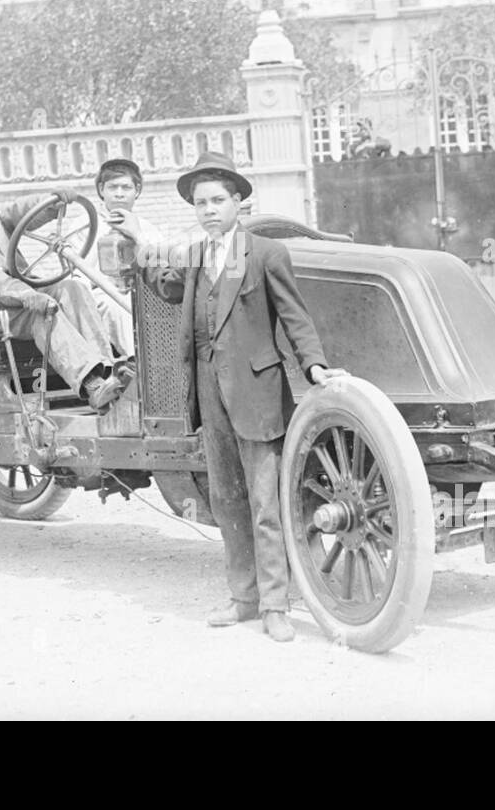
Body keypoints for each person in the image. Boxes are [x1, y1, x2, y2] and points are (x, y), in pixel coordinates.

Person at [131, 151, 348, 643]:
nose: (208, 210)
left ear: (237, 203)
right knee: (227, 500)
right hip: (209, 393)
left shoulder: (266, 254)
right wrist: (140, 251)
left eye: (217, 200)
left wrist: (313, 363)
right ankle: (244, 600)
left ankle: (276, 605)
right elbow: (168, 287)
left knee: (264, 502)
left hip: (256, 393)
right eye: (200, 203)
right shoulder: (194, 256)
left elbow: (294, 316)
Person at [0, 162, 131, 412]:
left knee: (72, 287)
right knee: (41, 314)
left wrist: (54, 200)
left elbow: (21, 209)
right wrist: (26, 294)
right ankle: (91, 385)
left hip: (25, 294)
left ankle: (109, 372)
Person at [82, 158, 166, 359]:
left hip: (142, 292)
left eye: (126, 187)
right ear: (101, 189)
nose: (119, 193)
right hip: (101, 296)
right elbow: (78, 274)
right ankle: (140, 363)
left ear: (136, 190)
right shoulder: (85, 225)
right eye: (113, 187)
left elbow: (162, 266)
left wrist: (137, 235)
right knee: (117, 308)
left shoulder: (147, 229)